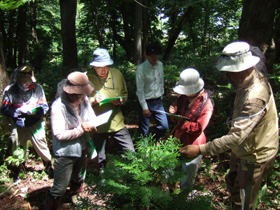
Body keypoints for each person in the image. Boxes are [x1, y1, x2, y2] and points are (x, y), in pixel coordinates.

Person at [180, 41, 279, 210]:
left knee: (243, 201)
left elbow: (236, 137)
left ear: (244, 69)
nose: (227, 77)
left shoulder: (255, 96)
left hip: (255, 154)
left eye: (230, 72)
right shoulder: (248, 79)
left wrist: (200, 149)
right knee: (233, 184)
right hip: (243, 148)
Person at [45, 71, 97, 209]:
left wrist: (92, 125)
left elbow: (91, 117)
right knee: (60, 186)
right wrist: (81, 129)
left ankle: (74, 196)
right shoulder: (58, 106)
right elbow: (59, 134)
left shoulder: (84, 100)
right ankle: (53, 204)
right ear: (71, 93)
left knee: (78, 178)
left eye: (84, 93)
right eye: (80, 94)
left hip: (83, 147)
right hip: (65, 151)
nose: (83, 97)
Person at [0, 65, 53, 177]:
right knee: (17, 143)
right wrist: (18, 111)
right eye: (23, 75)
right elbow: (4, 108)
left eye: (28, 75)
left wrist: (33, 111)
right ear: (18, 76)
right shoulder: (10, 89)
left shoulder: (37, 88)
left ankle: (48, 166)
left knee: (40, 142)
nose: (25, 78)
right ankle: (18, 169)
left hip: (35, 122)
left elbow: (44, 107)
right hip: (18, 122)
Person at [88, 48, 135, 170]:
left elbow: (124, 94)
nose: (103, 70)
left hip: (116, 121)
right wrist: (93, 100)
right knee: (99, 156)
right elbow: (80, 102)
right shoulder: (87, 78)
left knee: (130, 151)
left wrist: (121, 100)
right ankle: (101, 179)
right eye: (99, 67)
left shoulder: (117, 74)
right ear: (94, 66)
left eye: (106, 66)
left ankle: (134, 177)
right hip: (97, 123)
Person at [169, 68, 213, 190]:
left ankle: (183, 201)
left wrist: (182, 122)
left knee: (187, 180)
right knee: (171, 173)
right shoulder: (183, 98)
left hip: (193, 145)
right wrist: (173, 113)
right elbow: (176, 117)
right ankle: (171, 197)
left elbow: (198, 128)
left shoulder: (206, 104)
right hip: (177, 140)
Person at [136, 42, 169, 140]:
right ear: (146, 55)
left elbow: (161, 81)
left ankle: (153, 139)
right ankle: (143, 149)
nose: (154, 58)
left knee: (164, 126)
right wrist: (145, 107)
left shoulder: (160, 65)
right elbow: (140, 90)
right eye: (151, 56)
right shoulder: (141, 69)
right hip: (145, 101)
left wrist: (161, 96)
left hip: (158, 101)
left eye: (156, 55)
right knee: (144, 129)